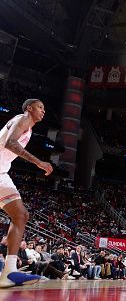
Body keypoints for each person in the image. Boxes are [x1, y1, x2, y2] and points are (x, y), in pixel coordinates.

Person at [0, 99, 53, 287]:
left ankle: (9, 271)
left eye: (44, 108)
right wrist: (39, 162)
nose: (43, 111)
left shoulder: (28, 129)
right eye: (40, 107)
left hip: (2, 172)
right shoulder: (22, 119)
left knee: (21, 215)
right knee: (20, 215)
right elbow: (10, 143)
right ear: (29, 108)